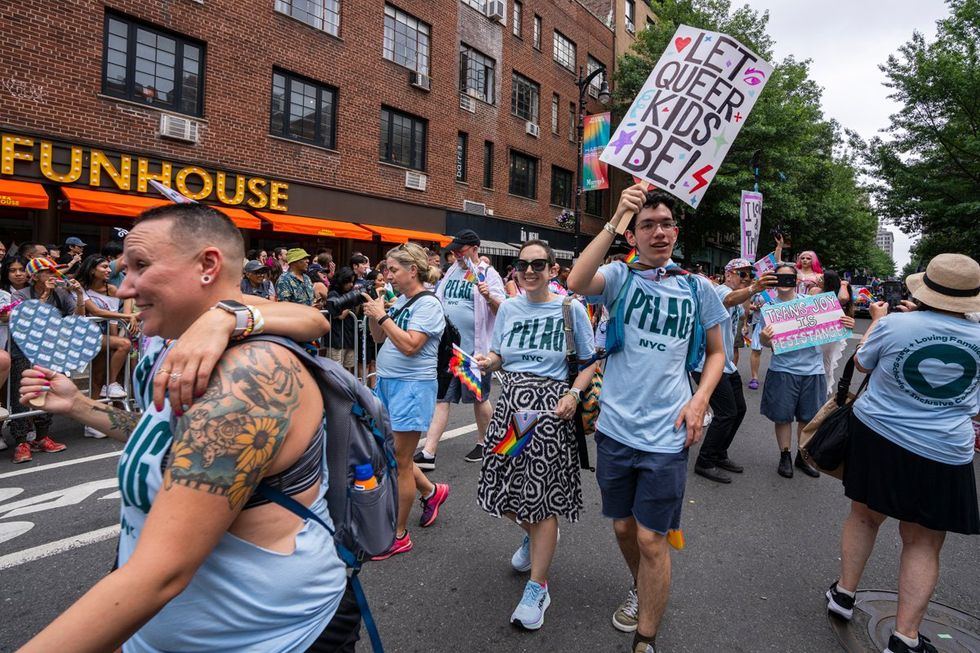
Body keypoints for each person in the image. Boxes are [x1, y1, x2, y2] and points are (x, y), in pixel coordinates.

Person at [17, 203, 362, 652]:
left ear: (207, 265)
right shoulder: (174, 341)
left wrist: (226, 317)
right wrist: (80, 406)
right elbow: (175, 440)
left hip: (272, 639)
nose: (124, 288)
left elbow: (161, 573)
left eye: (141, 266)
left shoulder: (248, 376)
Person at [567, 185, 727, 653]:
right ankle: (642, 587)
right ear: (634, 236)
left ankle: (646, 637)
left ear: (676, 231)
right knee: (622, 527)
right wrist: (616, 216)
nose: (659, 233)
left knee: (651, 538)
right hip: (615, 429)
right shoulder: (618, 277)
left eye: (665, 225)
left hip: (667, 433)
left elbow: (716, 354)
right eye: (647, 226)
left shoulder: (699, 288)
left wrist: (699, 400)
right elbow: (577, 281)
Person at [826, 253, 979, 653]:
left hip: (879, 435)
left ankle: (843, 595)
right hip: (944, 448)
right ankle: (905, 636)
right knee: (924, 541)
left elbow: (861, 364)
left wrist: (878, 320)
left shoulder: (894, 325)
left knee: (863, 516)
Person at [474, 240, 597, 630]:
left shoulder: (569, 308)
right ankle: (535, 537)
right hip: (514, 411)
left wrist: (574, 394)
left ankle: (537, 587)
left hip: (548, 413)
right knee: (502, 488)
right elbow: (500, 355)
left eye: (538, 264)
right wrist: (487, 361)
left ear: (553, 269)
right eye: (522, 265)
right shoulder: (508, 307)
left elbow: (588, 364)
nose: (529, 271)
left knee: (542, 499)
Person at [361, 243, 448, 560]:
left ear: (413, 270)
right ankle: (431, 491)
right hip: (387, 384)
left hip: (412, 388)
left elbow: (411, 345)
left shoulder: (429, 305)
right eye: (386, 269)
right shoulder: (401, 301)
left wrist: (383, 316)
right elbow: (379, 338)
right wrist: (376, 314)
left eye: (393, 269)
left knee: (399, 461)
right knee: (394, 454)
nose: (388, 275)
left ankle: (398, 535)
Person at [416, 229, 505, 469]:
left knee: (478, 397)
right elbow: (439, 299)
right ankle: (428, 452)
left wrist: (489, 297)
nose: (455, 254)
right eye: (454, 250)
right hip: (449, 351)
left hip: (473, 353)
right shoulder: (452, 271)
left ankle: (485, 442)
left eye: (461, 250)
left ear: (475, 249)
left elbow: (503, 310)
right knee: (442, 398)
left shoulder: (488, 274)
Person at [760, 262, 855, 478]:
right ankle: (784, 455)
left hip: (813, 370)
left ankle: (802, 457)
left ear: (796, 280)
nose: (784, 282)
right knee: (782, 416)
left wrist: (846, 324)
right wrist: (765, 339)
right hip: (783, 369)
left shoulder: (813, 304)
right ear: (774, 281)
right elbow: (767, 342)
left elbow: (835, 325)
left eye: (789, 278)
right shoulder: (769, 309)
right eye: (779, 278)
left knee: (808, 416)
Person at [690, 258, 777, 484]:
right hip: (707, 364)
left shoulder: (741, 297)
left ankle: (719, 453)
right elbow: (728, 300)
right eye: (741, 273)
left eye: (749, 274)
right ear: (728, 274)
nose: (746, 278)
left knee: (739, 409)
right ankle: (705, 460)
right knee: (726, 412)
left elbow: (741, 308)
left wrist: (750, 297)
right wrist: (753, 288)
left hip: (726, 364)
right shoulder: (718, 291)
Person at [8, 257, 84, 462]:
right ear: (34, 276)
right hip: (22, 351)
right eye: (47, 272)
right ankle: (21, 441)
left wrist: (78, 294)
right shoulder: (20, 294)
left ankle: (42, 437)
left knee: (46, 391)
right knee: (22, 393)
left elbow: (78, 317)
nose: (53, 275)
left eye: (54, 271)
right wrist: (45, 294)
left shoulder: (61, 293)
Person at [76, 255, 136, 411]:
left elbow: (113, 320)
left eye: (109, 267)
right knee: (124, 345)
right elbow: (96, 311)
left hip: (105, 336)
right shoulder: (79, 287)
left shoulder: (112, 290)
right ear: (91, 270)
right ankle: (110, 386)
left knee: (99, 377)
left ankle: (98, 415)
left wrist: (114, 341)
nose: (109, 270)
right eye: (104, 267)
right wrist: (128, 316)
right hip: (86, 335)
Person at [810, 269, 853, 394]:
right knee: (814, 356)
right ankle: (814, 384)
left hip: (830, 332)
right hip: (815, 329)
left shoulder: (837, 295)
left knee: (827, 359)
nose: (818, 280)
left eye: (822, 278)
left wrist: (844, 284)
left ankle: (826, 385)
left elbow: (844, 298)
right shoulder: (815, 291)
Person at [324, 267, 358, 371]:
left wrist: (358, 299)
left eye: (353, 282)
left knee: (348, 369)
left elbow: (355, 313)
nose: (351, 285)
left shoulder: (349, 293)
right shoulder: (333, 294)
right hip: (336, 339)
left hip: (348, 337)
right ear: (342, 280)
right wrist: (351, 299)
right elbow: (340, 315)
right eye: (348, 282)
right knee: (336, 369)